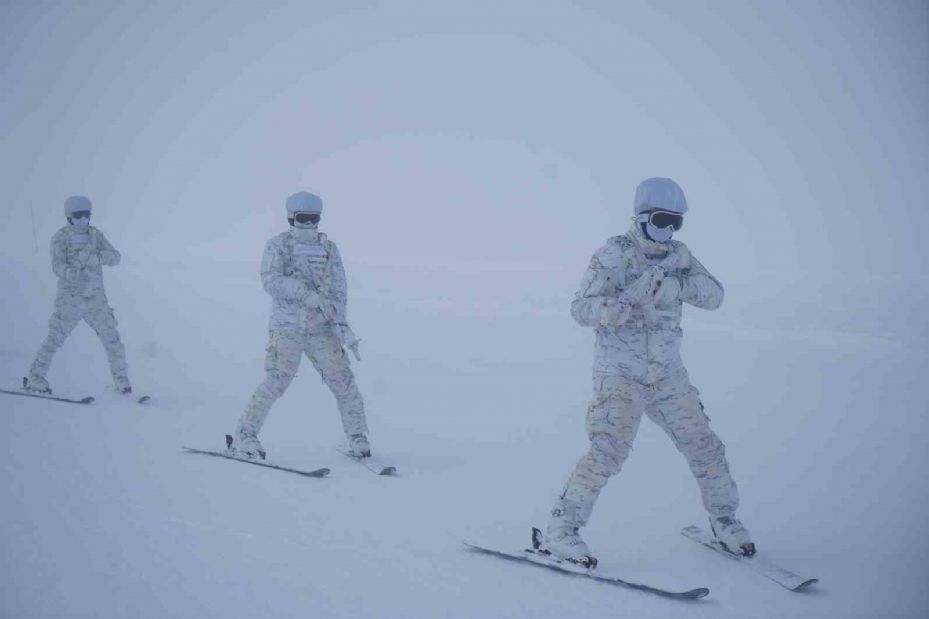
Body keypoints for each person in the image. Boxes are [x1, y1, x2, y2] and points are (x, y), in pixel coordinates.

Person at [542, 177, 754, 566]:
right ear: (640, 218)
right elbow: (580, 309)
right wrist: (617, 307)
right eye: (661, 220)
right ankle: (561, 529)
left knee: (704, 445)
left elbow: (715, 295)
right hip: (621, 373)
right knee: (608, 449)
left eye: (676, 222)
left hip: (667, 375)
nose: (668, 231)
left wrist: (677, 285)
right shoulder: (615, 255)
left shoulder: (680, 257)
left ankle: (725, 520)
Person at [229, 191, 371, 460]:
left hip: (323, 329)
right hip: (288, 328)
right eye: (303, 219)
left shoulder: (329, 249)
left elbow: (339, 290)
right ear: (291, 218)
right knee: (276, 381)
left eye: (313, 219)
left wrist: (342, 326)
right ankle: (245, 435)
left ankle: (358, 437)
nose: (308, 225)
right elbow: (270, 280)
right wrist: (304, 293)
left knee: (344, 382)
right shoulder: (278, 246)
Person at [24, 196, 132, 394]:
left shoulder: (96, 236)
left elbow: (115, 257)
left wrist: (97, 257)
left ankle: (122, 381)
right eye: (78, 215)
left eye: (86, 214)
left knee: (112, 339)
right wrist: (70, 272)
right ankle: (35, 378)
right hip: (70, 300)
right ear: (69, 217)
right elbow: (57, 265)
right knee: (54, 339)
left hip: (96, 300)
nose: (83, 219)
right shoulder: (61, 237)